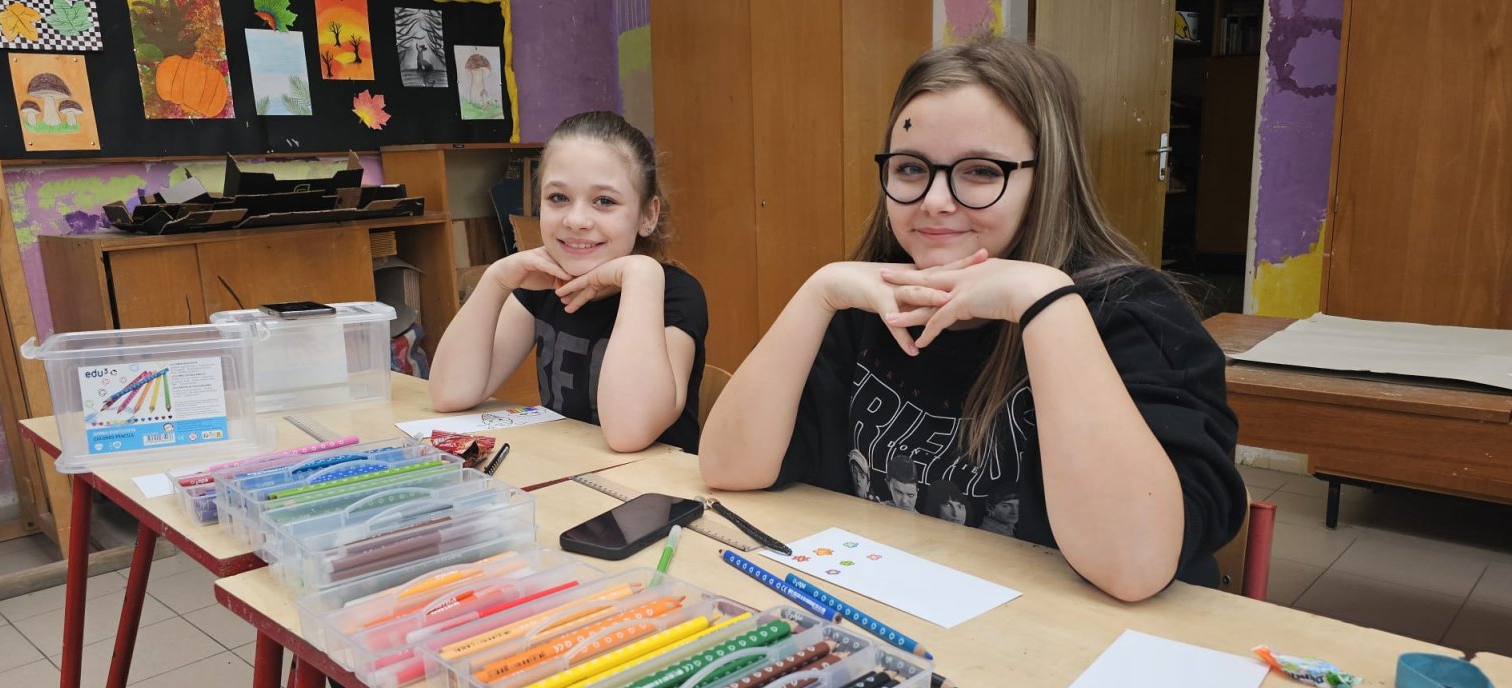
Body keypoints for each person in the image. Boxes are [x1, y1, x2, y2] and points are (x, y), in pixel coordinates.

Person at [699, 36, 1245, 602]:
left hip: (1070, 641)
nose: (935, 200)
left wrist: (1044, 301)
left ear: (1047, 180)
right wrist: (817, 292)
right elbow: (728, 468)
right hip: (897, 622)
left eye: (981, 171)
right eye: (911, 168)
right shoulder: (862, 307)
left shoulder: (1136, 316)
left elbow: (1132, 564)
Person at [428, 111, 707, 453]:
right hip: (569, 474)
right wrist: (496, 280)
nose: (576, 220)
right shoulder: (544, 284)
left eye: (604, 201)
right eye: (558, 198)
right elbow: (450, 393)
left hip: (653, 483)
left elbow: (629, 432)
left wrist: (641, 274)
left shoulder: (674, 294)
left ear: (648, 215)